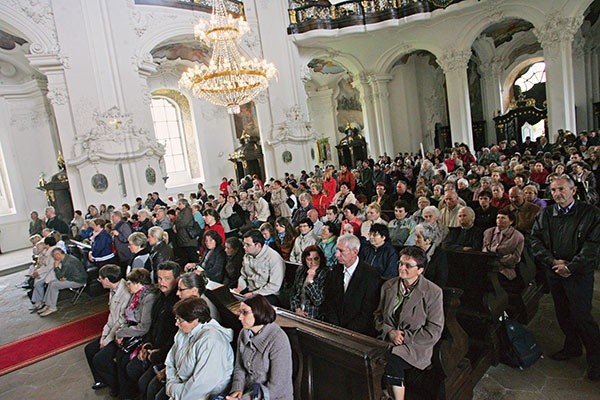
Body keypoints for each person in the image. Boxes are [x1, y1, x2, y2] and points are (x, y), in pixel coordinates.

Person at [530, 174, 600, 381]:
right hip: (555, 272)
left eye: (561, 189)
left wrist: (572, 266)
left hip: (578, 273)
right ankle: (572, 347)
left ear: (573, 191)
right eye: (553, 190)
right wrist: (552, 262)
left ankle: (596, 359)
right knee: (562, 312)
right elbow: (535, 240)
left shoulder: (591, 213)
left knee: (581, 316)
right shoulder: (546, 214)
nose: (557, 194)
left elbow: (593, 245)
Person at [374, 246, 444, 400]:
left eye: (408, 265)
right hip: (388, 340)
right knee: (379, 356)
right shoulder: (389, 286)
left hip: (415, 346)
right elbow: (378, 316)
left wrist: (404, 337)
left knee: (391, 358)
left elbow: (434, 330)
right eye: (400, 263)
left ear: (420, 270)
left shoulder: (433, 292)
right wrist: (389, 331)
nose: (402, 268)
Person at [119, 261, 181, 400]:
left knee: (142, 378)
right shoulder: (159, 297)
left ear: (177, 279)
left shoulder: (178, 303)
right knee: (129, 366)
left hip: (165, 353)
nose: (162, 283)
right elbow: (152, 326)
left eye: (167, 279)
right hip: (153, 346)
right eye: (159, 278)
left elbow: (174, 337)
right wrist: (146, 345)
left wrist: (157, 353)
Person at [96, 268, 158, 397]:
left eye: (129, 283)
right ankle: (121, 391)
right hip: (129, 331)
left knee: (124, 361)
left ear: (137, 283)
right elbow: (126, 318)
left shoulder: (148, 297)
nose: (127, 285)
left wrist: (120, 333)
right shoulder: (137, 295)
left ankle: (127, 393)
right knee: (118, 357)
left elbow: (143, 327)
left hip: (139, 336)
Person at [162, 297, 234, 400]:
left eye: (180, 320)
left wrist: (171, 388)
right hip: (178, 387)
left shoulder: (211, 342)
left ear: (195, 320)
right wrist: (172, 383)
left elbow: (200, 386)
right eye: (176, 318)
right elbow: (170, 362)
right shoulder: (184, 332)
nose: (176, 323)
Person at [226, 295, 293, 400]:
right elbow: (240, 367)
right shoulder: (244, 333)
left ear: (258, 313)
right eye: (240, 312)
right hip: (249, 394)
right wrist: (237, 389)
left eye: (245, 312)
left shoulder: (278, 339)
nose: (239, 317)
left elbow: (277, 387)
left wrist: (246, 398)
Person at [322, 234, 382, 336]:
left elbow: (367, 312)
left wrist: (347, 332)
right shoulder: (335, 270)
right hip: (333, 328)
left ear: (355, 252)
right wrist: (334, 327)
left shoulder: (371, 275)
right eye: (337, 250)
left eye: (341, 251)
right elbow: (329, 300)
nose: (336, 254)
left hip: (357, 333)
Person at [85, 264, 132, 391]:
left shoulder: (126, 293)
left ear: (106, 280)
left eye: (100, 278)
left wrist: (106, 340)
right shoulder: (113, 290)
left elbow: (121, 322)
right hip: (111, 330)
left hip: (122, 333)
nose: (99, 281)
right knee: (89, 349)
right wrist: (103, 335)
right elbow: (111, 317)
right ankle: (101, 380)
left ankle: (115, 385)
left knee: (100, 359)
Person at [234, 229, 285, 306]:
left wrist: (253, 294)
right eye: (244, 244)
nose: (244, 247)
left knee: (251, 307)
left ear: (258, 245)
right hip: (250, 289)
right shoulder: (247, 255)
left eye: (248, 245)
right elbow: (243, 276)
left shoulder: (274, 258)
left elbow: (274, 286)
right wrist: (239, 288)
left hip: (268, 293)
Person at [36, 247, 88, 316]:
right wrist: (62, 277)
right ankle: (48, 304)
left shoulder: (67, 262)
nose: (54, 259)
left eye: (54, 257)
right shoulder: (67, 258)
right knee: (51, 282)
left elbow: (60, 277)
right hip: (72, 278)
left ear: (58, 255)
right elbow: (62, 277)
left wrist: (56, 267)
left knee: (54, 285)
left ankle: (52, 307)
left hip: (78, 281)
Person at [482, 208, 524, 281]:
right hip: (487, 266)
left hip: (505, 270)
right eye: (498, 218)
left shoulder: (518, 237)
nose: (499, 220)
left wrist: (498, 261)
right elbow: (484, 250)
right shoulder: (488, 232)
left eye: (503, 218)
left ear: (511, 221)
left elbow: (515, 258)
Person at [289, 245, 329, 319]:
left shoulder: (326, 273)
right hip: (297, 312)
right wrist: (296, 309)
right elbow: (293, 292)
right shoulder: (301, 270)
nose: (313, 262)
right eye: (309, 259)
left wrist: (310, 281)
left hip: (314, 315)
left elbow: (318, 301)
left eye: (316, 259)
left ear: (321, 259)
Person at [413, 223, 447, 288]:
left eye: (418, 237)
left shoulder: (439, 255)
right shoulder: (413, 250)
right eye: (415, 236)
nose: (415, 239)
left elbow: (441, 280)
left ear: (428, 240)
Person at [174, 198, 198, 265]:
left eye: (180, 204)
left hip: (187, 237)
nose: (178, 205)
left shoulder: (187, 211)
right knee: (186, 255)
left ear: (184, 204)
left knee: (191, 254)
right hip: (183, 237)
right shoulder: (182, 211)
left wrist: (176, 226)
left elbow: (184, 222)